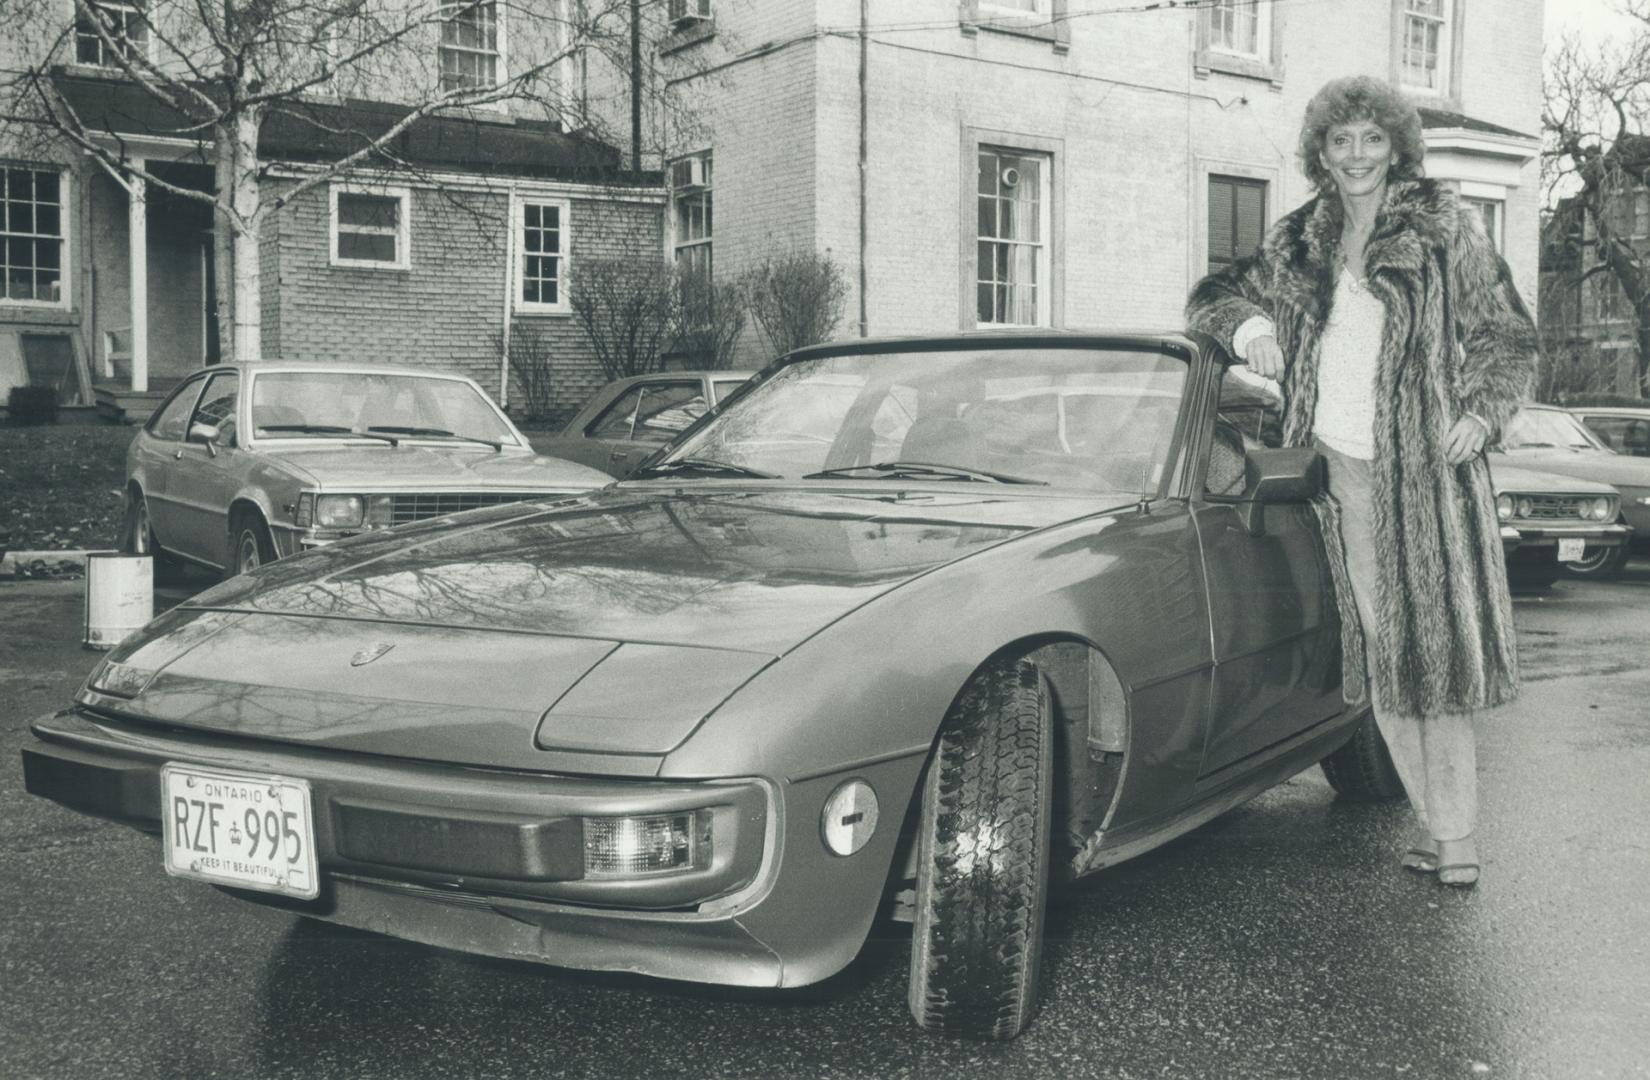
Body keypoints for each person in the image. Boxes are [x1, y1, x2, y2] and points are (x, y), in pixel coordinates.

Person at [1186, 76, 1538, 888]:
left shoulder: (1447, 230)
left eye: (1371, 140)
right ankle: (1439, 825)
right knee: (1383, 650)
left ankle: (1456, 836)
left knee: (1434, 653)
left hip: (1425, 467)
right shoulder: (1298, 239)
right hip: (1333, 464)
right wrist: (1250, 324)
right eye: (1340, 142)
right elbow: (1211, 296)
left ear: (1396, 148)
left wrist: (1481, 414)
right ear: (1321, 151)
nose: (1356, 156)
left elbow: (1507, 336)